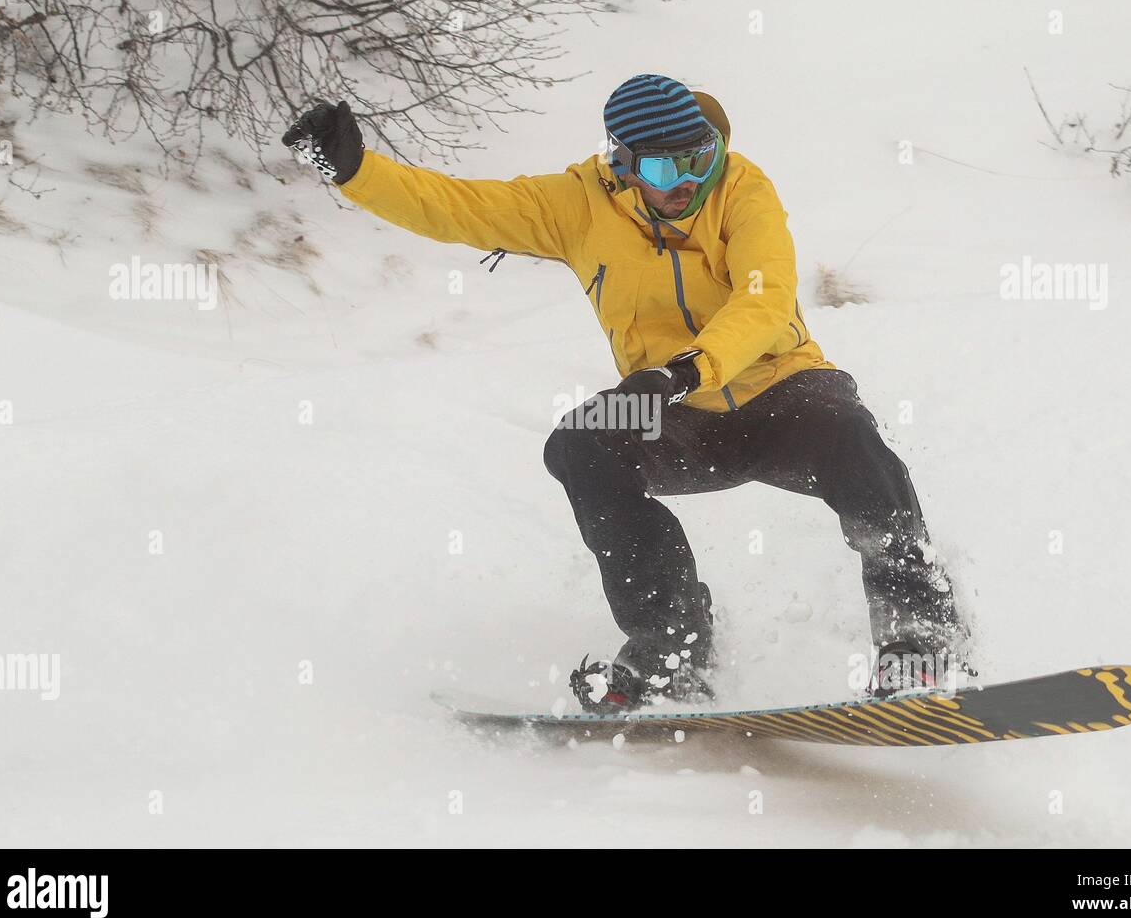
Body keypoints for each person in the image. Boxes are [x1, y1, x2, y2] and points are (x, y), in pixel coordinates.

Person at [282, 74, 967, 712]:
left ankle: (919, 644)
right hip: (674, 411)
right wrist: (356, 173)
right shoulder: (577, 206)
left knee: (851, 435)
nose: (690, 182)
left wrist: (688, 369)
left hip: (779, 387)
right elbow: (460, 207)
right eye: (669, 169)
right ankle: (673, 651)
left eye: (702, 157)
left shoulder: (742, 189)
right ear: (624, 162)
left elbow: (764, 299)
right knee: (580, 443)